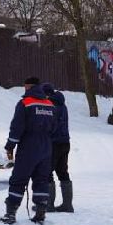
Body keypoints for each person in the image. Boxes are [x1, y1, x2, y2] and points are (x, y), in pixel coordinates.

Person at [0, 76, 58, 225]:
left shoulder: (25, 103)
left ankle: (10, 214)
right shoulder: (50, 105)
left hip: (28, 148)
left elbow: (17, 127)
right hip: (46, 148)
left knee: (18, 179)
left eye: (25, 86)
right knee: (41, 179)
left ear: (28, 86)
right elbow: (55, 127)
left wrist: (10, 145)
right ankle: (40, 214)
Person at [42, 83, 74, 213]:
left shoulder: (50, 105)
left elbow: (50, 126)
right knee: (62, 171)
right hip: (65, 142)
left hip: (54, 143)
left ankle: (48, 205)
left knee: (46, 172)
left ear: (46, 94)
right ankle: (67, 205)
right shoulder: (62, 104)